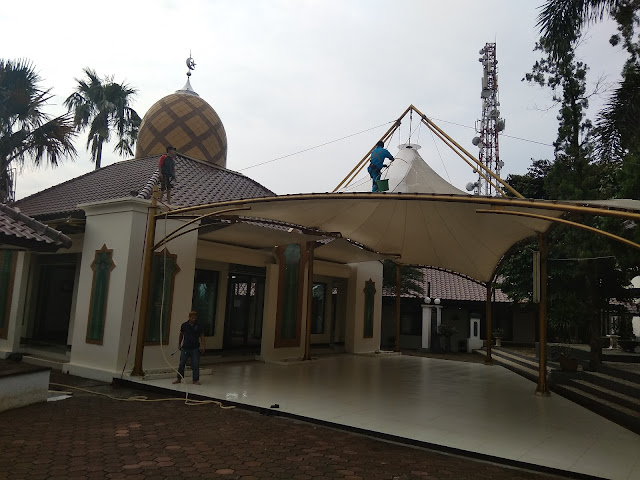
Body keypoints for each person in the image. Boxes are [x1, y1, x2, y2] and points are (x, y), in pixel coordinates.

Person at [173, 310, 205, 385]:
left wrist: (203, 345)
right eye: (193, 318)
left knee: (195, 364)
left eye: (195, 318)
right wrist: (179, 344)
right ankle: (179, 378)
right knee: (181, 363)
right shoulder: (184, 325)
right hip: (185, 347)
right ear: (189, 317)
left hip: (195, 348)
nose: (194, 319)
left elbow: (202, 335)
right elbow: (181, 334)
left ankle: (195, 380)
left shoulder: (199, 326)